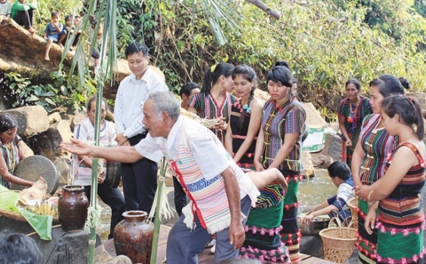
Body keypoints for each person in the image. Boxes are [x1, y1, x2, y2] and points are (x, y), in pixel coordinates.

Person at [61, 91, 289, 263]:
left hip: (230, 200)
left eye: (147, 116)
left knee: (225, 256)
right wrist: (91, 150)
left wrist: (236, 223)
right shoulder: (160, 134)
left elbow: (229, 175)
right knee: (179, 241)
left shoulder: (194, 137)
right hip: (203, 201)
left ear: (164, 117)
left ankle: (272, 174)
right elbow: (132, 153)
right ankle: (270, 175)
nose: (143, 121)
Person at [225, 65, 290, 263]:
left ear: (253, 84)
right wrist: (228, 158)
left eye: (243, 83)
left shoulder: (257, 105)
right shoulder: (234, 103)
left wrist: (234, 162)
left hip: (248, 155)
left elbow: (251, 136)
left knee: (251, 201)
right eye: (235, 83)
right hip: (234, 157)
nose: (239, 87)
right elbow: (228, 132)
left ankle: (257, 248)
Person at [355, 95, 426, 263]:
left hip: (400, 224)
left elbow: (385, 188)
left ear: (396, 118)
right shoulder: (414, 143)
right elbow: (390, 179)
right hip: (398, 220)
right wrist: (373, 207)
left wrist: (369, 194)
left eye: (384, 118)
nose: (383, 123)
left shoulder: (407, 150)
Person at [350, 75, 409, 263]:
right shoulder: (370, 120)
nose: (370, 101)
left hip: (384, 198)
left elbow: (392, 172)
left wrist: (373, 197)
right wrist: (359, 185)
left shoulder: (400, 128)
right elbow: (358, 153)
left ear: (391, 97)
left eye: (374, 97)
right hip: (364, 194)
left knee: (382, 250)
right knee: (365, 248)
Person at [254, 63, 306, 264]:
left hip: (286, 169)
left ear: (289, 86)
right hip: (267, 165)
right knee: (268, 211)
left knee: (287, 213)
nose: (274, 89)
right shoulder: (268, 105)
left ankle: (293, 258)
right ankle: (272, 256)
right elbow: (262, 134)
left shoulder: (295, 109)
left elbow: (288, 144)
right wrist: (258, 160)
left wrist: (271, 170)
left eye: (279, 86)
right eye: (271, 85)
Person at [113, 42, 168, 215]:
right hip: (125, 140)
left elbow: (148, 116)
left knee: (145, 189)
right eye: (131, 62)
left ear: (147, 60)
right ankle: (131, 229)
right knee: (129, 187)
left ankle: (147, 232)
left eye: (139, 61)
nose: (135, 66)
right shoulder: (125, 83)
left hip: (146, 138)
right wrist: (120, 135)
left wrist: (126, 134)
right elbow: (118, 110)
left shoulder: (156, 84)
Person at [72, 96, 126, 239]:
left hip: (103, 177)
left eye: (102, 111)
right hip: (84, 178)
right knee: (82, 212)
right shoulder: (81, 127)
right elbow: (80, 155)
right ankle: (83, 242)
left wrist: (107, 172)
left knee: (120, 204)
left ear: (106, 111)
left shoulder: (109, 127)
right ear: (88, 112)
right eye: (95, 111)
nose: (99, 114)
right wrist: (96, 168)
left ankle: (113, 239)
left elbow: (113, 151)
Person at [0, 113, 33, 194]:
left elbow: (23, 160)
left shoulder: (15, 139)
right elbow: (5, 175)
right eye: (9, 134)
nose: (13, 136)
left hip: (10, 185)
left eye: (15, 132)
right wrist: (31, 184)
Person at [188, 62, 236, 143]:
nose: (235, 83)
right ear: (223, 78)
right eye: (233, 78)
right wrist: (209, 124)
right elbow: (187, 123)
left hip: (227, 151)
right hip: (203, 148)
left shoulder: (234, 101)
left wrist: (227, 126)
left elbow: (240, 128)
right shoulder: (198, 99)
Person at [173, 81, 201, 216]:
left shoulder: (198, 111)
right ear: (184, 96)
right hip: (177, 153)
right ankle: (182, 217)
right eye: (195, 95)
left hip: (193, 155)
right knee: (179, 189)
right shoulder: (173, 110)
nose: (198, 99)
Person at [337, 79, 372, 168]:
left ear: (358, 91)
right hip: (348, 136)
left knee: (362, 162)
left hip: (363, 135)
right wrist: (347, 138)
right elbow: (341, 124)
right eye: (348, 90)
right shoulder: (343, 104)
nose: (350, 92)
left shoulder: (366, 103)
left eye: (353, 90)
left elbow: (371, 122)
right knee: (349, 163)